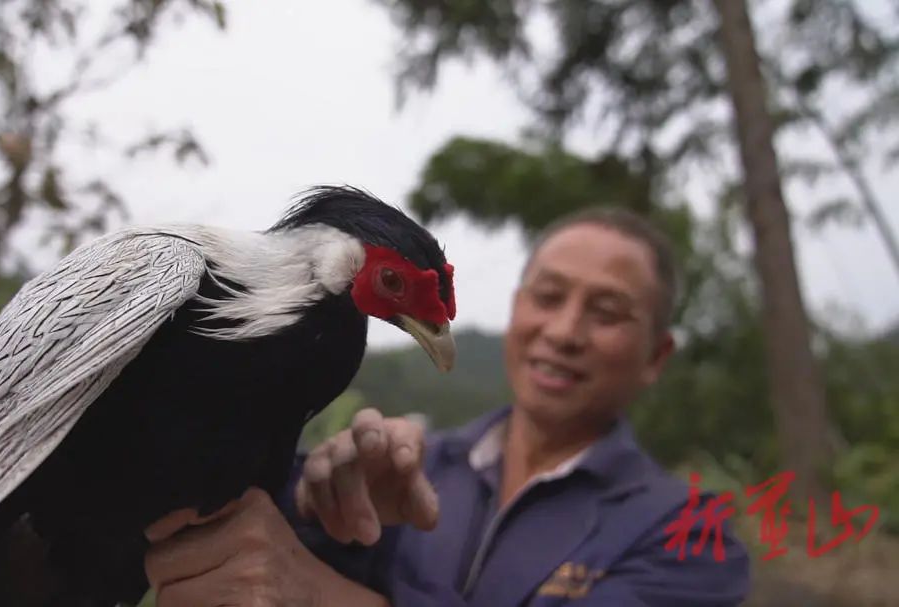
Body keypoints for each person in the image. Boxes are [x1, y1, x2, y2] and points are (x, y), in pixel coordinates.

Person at [141, 207, 752, 606]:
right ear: (515, 310)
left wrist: (325, 598)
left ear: (656, 356)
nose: (564, 331)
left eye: (608, 312)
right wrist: (316, 507)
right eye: (548, 296)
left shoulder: (690, 536)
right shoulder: (417, 467)